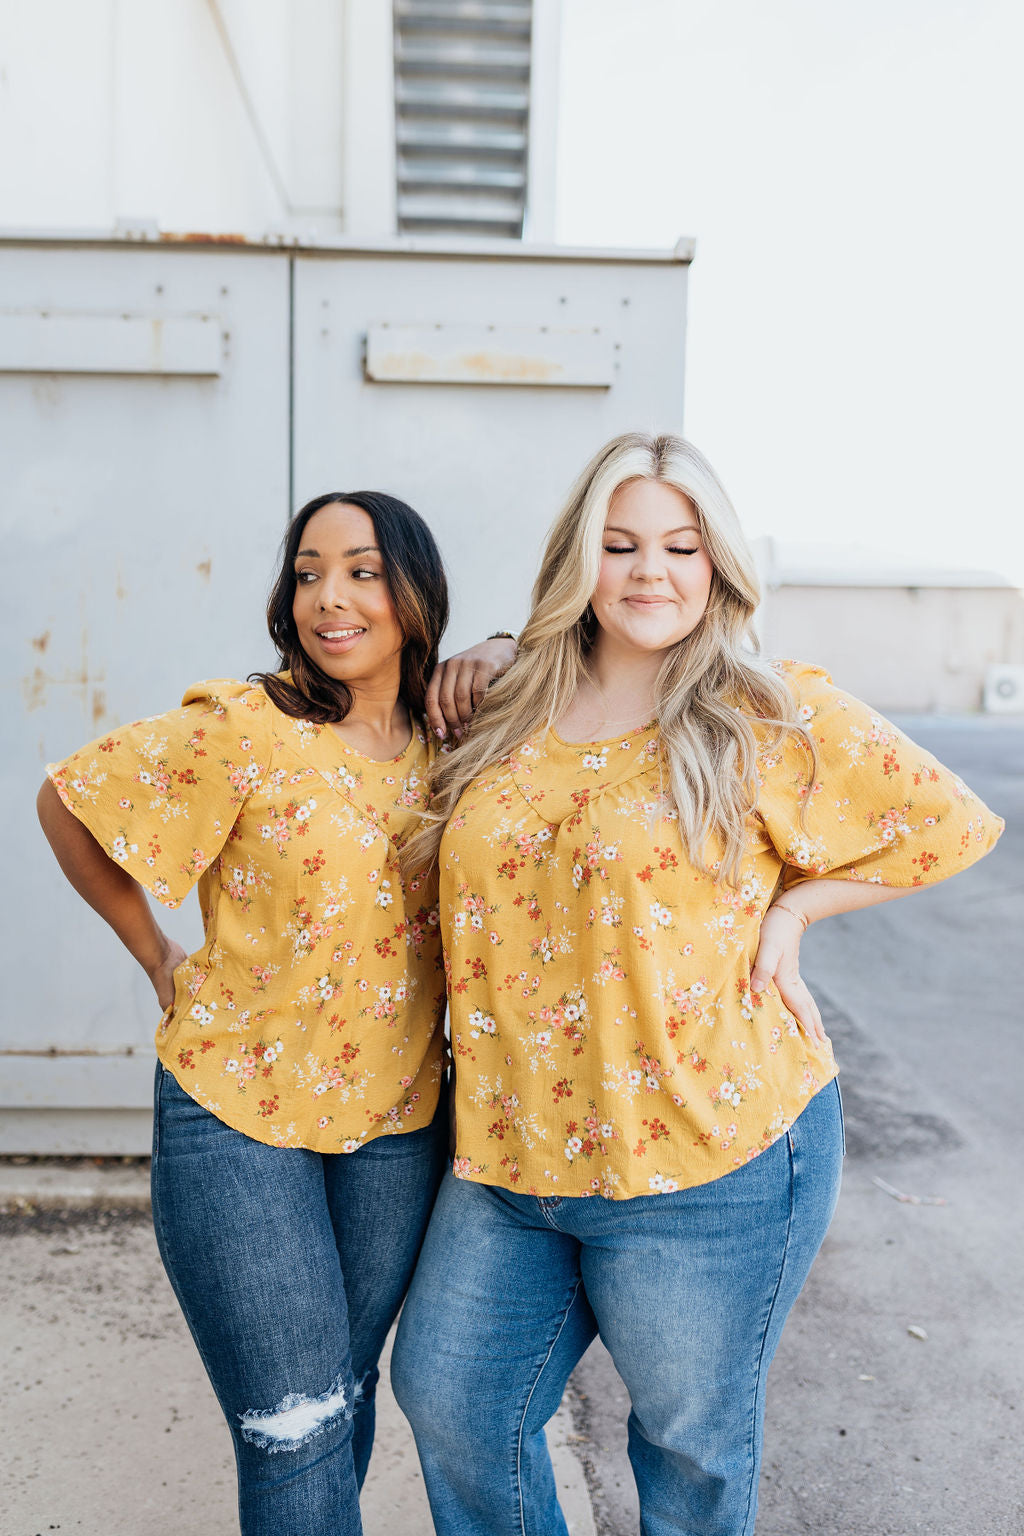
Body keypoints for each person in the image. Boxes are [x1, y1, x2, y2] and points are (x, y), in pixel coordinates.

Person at [390, 434, 1004, 1536]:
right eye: (618, 544)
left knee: (687, 1454)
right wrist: (493, 645)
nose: (648, 572)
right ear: (579, 559)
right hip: (512, 1150)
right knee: (454, 1401)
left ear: (716, 562)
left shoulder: (758, 711)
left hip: (708, 1153)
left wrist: (797, 907)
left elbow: (949, 823)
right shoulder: (506, 702)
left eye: (680, 545)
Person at [36, 489, 515, 1536]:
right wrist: (157, 956)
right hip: (239, 1115)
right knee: (293, 1423)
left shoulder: (462, 739)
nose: (327, 599)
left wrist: (504, 644)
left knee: (335, 1405)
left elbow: (597, 677)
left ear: (414, 591)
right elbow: (70, 800)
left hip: (394, 1128)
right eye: (306, 572)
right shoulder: (244, 729)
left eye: (360, 570)